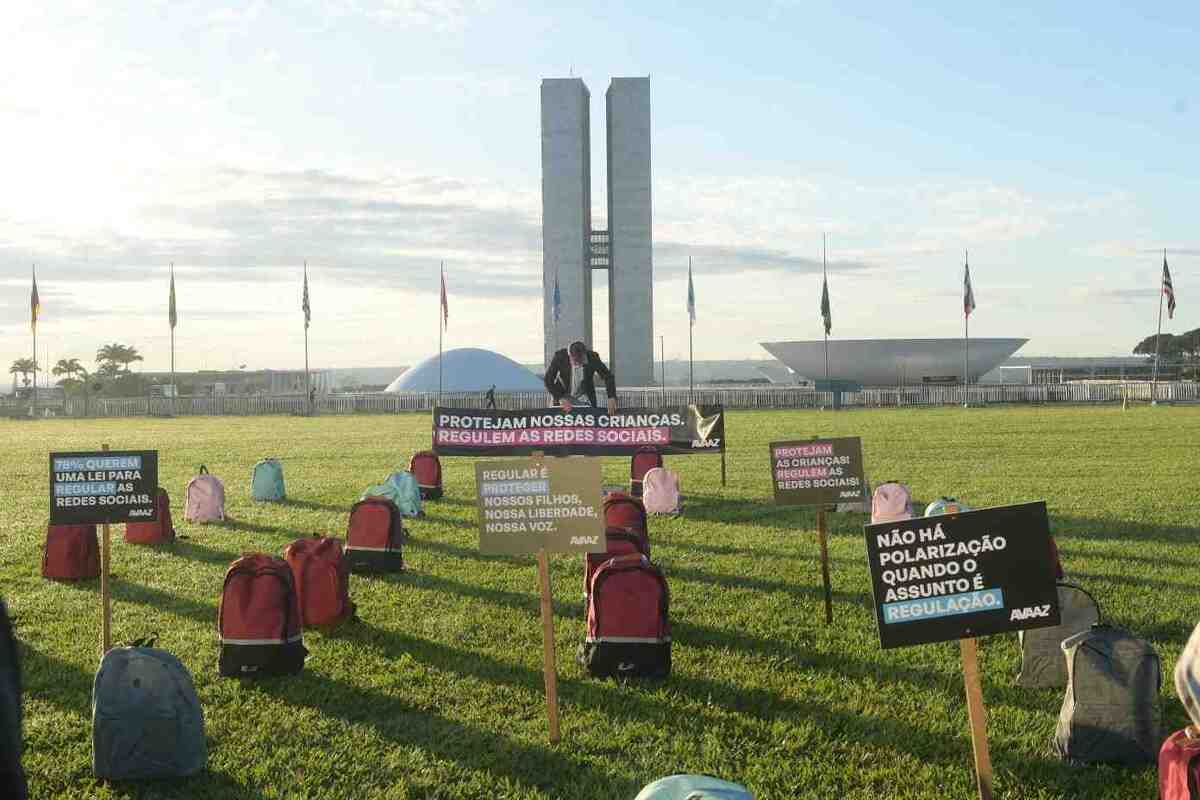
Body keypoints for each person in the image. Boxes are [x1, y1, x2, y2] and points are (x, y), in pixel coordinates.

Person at [544, 340, 617, 414]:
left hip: (585, 397)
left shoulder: (593, 357)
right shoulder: (560, 356)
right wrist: (560, 398)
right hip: (562, 394)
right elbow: (548, 380)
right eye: (575, 361)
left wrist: (611, 397)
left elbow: (608, 377)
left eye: (582, 360)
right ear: (569, 356)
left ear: (585, 354)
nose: (579, 364)